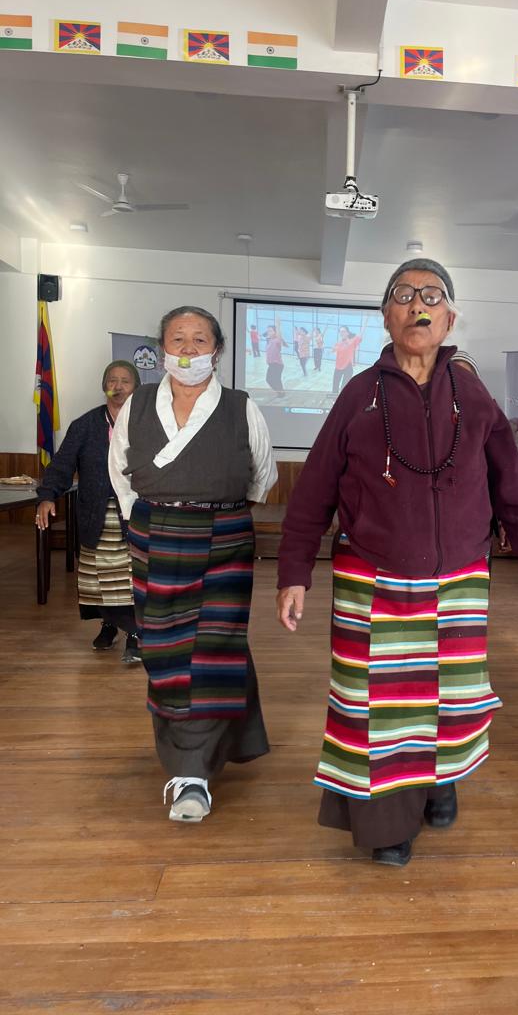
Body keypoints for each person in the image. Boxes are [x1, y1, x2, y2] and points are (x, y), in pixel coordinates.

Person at [276, 259, 518, 866]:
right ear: (386, 316)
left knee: (448, 700)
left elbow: (512, 479)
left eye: (431, 295)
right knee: (376, 707)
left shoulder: (474, 394)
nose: (417, 305)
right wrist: (294, 573)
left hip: (457, 576)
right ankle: (387, 827)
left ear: (450, 317)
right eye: (403, 295)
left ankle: (441, 781)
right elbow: (315, 490)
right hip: (370, 577)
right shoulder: (359, 393)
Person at [108, 305, 277, 823]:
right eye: (177, 339)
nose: (187, 349)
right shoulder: (136, 405)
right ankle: (231, 738)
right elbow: (121, 474)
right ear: (162, 351)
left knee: (213, 649)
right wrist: (159, 519)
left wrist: (213, 508)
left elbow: (262, 478)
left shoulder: (242, 407)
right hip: (156, 534)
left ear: (217, 351)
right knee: (166, 650)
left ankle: (192, 774)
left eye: (199, 340)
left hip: (225, 533)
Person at [36, 361, 142, 662]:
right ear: (104, 385)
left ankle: (134, 633)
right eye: (112, 380)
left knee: (129, 577)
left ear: (136, 388)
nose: (118, 386)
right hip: (96, 513)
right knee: (99, 580)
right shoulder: (84, 425)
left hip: (134, 514)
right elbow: (62, 465)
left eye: (125, 381)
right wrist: (47, 496)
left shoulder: (147, 425)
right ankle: (109, 625)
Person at [331, 325, 363, 394]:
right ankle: (334, 401)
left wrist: (365, 321)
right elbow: (333, 351)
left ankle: (342, 401)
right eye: (340, 332)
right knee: (335, 386)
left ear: (348, 333)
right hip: (338, 367)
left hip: (348, 367)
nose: (341, 333)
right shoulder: (338, 344)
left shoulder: (352, 341)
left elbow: (360, 336)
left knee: (344, 387)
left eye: (343, 331)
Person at [265, 324, 288, 398]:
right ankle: (280, 392)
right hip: (271, 364)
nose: (268, 332)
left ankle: (281, 393)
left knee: (274, 380)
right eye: (268, 331)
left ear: (275, 332)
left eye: (270, 331)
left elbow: (283, 342)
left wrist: (278, 327)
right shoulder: (270, 340)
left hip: (277, 364)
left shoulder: (277, 340)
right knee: (270, 380)